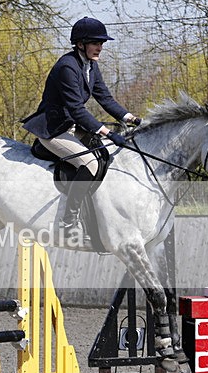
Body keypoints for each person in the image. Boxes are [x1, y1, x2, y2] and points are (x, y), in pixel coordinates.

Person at [21, 16, 140, 242]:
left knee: (105, 154)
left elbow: (105, 98)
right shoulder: (67, 66)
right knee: (89, 163)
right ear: (80, 44)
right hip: (53, 128)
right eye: (95, 43)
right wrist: (108, 132)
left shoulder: (90, 66)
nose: (100, 47)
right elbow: (77, 109)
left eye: (101, 43)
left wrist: (132, 118)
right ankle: (68, 220)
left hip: (72, 126)